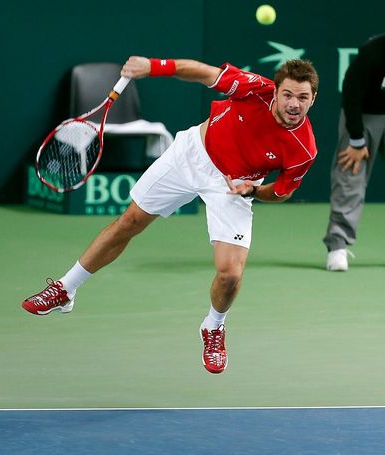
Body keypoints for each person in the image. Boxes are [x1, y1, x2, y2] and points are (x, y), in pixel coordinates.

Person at [22, 56, 319, 374]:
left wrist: (251, 191)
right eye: (288, 94)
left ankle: (213, 327)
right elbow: (204, 73)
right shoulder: (255, 89)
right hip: (192, 154)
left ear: (313, 99)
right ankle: (66, 289)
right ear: (276, 92)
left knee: (230, 274)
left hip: (233, 185)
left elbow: (281, 192)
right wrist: (153, 66)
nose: (293, 104)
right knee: (129, 222)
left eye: (303, 97)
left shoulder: (304, 149)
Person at [323, 34, 385, 271]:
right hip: (364, 115)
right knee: (350, 175)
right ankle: (337, 245)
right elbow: (351, 93)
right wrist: (357, 140)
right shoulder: (373, 53)